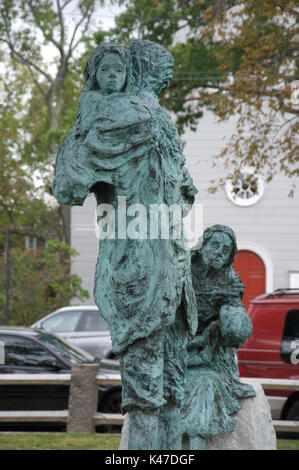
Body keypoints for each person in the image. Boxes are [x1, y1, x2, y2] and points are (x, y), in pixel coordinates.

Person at [53, 40, 198, 450]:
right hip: (138, 269)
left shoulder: (158, 121)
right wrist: (87, 129)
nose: (165, 77)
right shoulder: (118, 119)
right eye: (107, 71)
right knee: (148, 395)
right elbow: (67, 184)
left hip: (171, 266)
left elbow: (185, 193)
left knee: (171, 388)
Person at [181, 225, 256, 450]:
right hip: (177, 345)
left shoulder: (230, 279)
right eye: (214, 245)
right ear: (203, 246)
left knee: (204, 384)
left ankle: (196, 445)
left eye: (226, 250)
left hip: (211, 354)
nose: (219, 253)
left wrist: (231, 319)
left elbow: (236, 322)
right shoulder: (182, 270)